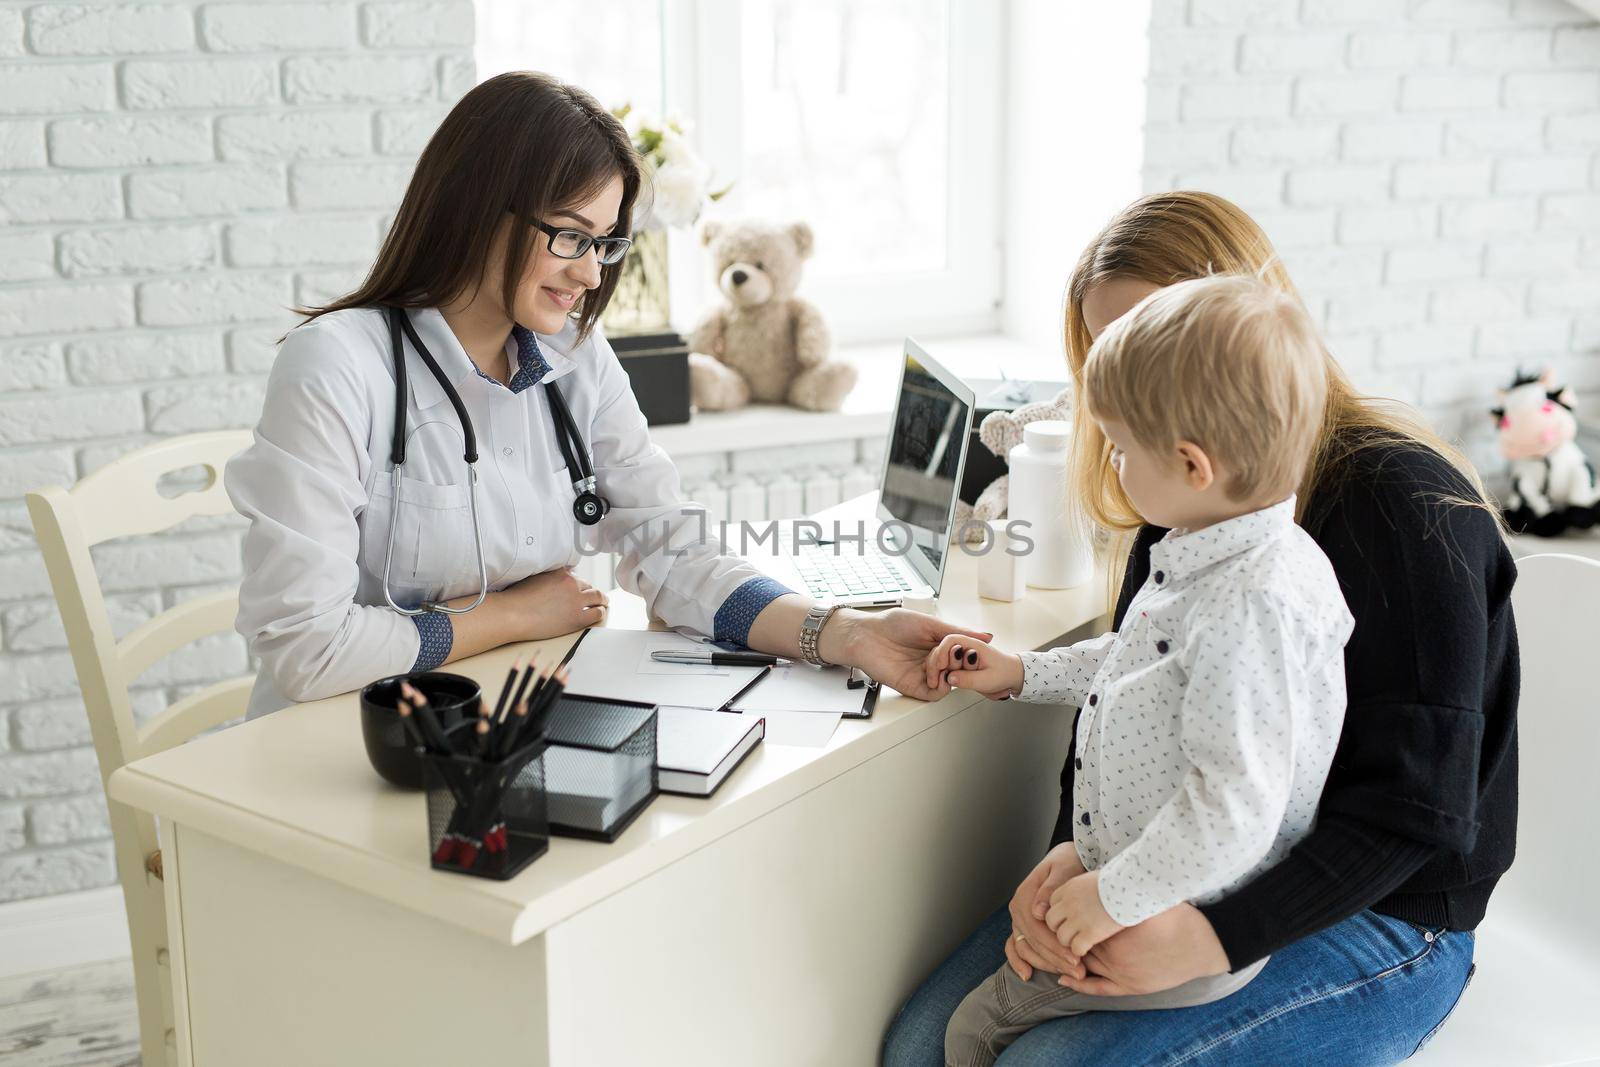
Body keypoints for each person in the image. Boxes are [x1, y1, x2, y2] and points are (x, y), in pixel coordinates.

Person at [883, 191, 1517, 1066]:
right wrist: (1075, 856)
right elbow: (1137, 695)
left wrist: (1210, 935)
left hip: (1381, 908)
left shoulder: (1406, 511)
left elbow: (1414, 816)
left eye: (1161, 334)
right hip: (1184, 865)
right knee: (920, 1044)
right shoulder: (1190, 505)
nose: (1146, 382)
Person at [226, 71, 986, 721]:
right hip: (348, 744)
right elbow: (307, 647)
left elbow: (674, 552)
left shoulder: (574, 356)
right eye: (570, 236)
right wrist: (514, 614)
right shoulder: (338, 366)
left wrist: (845, 632)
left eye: (604, 242)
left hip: (516, 712)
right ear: (478, 206)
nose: (591, 275)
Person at [932, 275, 1355, 1066]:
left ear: (1192, 464)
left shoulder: (1249, 602)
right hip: (1137, 878)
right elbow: (1136, 661)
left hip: (1169, 911)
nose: (1112, 461)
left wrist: (1107, 897)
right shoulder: (1227, 556)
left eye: (1122, 447)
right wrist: (1021, 671)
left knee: (970, 1031)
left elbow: (1233, 807)